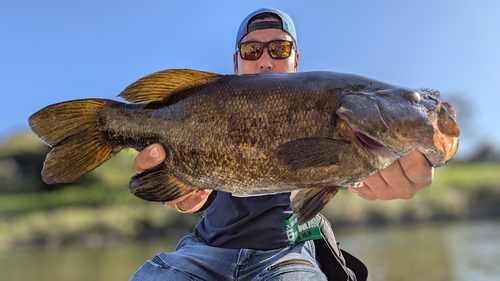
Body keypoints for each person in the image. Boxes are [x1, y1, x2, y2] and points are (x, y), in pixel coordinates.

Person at [129, 7, 433, 281]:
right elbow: (202, 194)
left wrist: (400, 159)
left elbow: (352, 168)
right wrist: (184, 193)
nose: (264, 60)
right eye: (251, 51)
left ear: (296, 60)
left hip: (286, 256)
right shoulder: (206, 106)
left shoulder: (337, 118)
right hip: (203, 251)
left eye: (279, 48)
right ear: (236, 62)